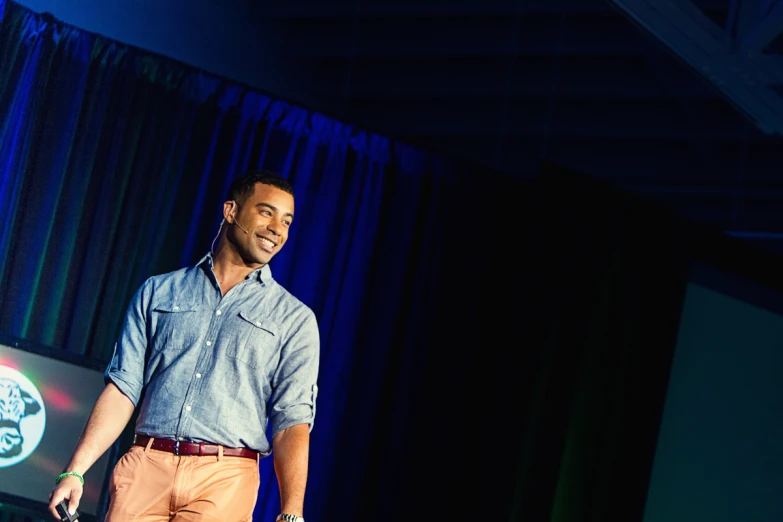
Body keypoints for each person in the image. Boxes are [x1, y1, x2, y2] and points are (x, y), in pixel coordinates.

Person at [47, 169, 320, 522]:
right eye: (266, 212)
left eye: (287, 221)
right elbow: (123, 388)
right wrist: (75, 470)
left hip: (225, 477)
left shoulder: (293, 318)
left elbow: (292, 418)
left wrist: (292, 512)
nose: (277, 229)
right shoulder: (158, 292)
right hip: (145, 466)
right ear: (231, 211)